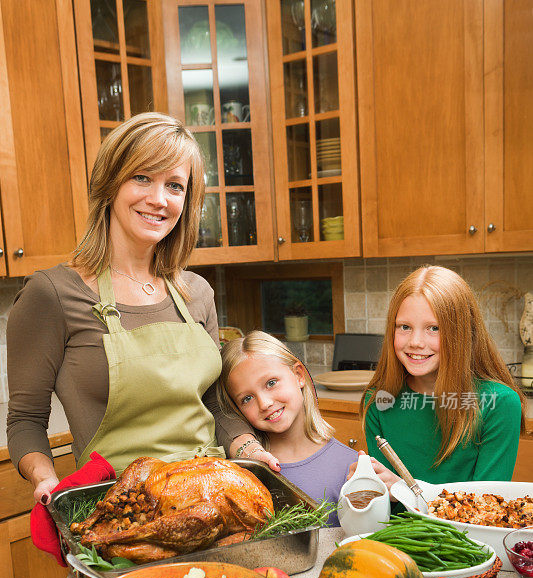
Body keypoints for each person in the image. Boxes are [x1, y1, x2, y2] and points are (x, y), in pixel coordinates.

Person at [7, 112, 275, 506]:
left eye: (175, 186)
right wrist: (47, 480)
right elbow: (25, 419)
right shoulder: (51, 295)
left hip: (215, 494)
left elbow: (214, 402)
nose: (159, 199)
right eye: (142, 178)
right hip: (123, 508)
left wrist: (249, 449)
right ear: (111, 183)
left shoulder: (196, 293)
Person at [362, 265, 526, 488]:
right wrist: (365, 487)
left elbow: (484, 508)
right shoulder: (379, 401)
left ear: (461, 333)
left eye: (434, 328)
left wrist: (402, 489)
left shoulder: (499, 404)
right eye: (404, 327)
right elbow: (383, 509)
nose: (416, 342)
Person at [217, 331, 357, 523]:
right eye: (247, 398)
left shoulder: (349, 465)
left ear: (298, 375)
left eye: (271, 383)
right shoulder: (243, 471)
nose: (264, 403)